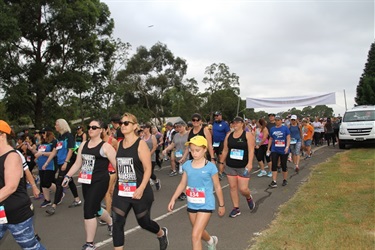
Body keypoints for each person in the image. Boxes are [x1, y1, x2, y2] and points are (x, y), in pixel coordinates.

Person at [112, 113, 169, 250]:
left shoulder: (141, 144)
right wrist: (114, 184)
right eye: (121, 123)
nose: (123, 126)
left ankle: (161, 233)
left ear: (135, 126)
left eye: (126, 123)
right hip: (122, 190)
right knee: (117, 222)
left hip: (140, 190)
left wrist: (142, 188)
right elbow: (119, 167)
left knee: (144, 222)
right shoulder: (119, 144)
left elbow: (148, 169)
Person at [62, 120, 116, 249]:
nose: (90, 129)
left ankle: (89, 244)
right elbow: (77, 163)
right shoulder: (83, 145)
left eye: (94, 127)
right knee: (96, 209)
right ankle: (111, 222)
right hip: (86, 181)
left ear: (101, 130)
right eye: (89, 127)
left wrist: (118, 184)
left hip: (100, 181)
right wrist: (68, 176)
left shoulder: (106, 147)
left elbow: (117, 165)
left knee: (88, 210)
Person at [168, 135, 225, 250]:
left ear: (205, 150)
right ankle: (211, 240)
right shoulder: (187, 165)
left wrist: (221, 205)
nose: (194, 153)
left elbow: (217, 186)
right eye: (192, 150)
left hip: (206, 203)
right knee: (198, 230)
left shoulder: (210, 167)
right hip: (192, 203)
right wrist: (173, 198)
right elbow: (182, 184)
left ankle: (209, 241)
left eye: (197, 150)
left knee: (195, 235)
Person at [0, 120, 45, 249]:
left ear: (3, 135)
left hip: (17, 213)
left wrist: (35, 187)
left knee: (31, 247)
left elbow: (11, 187)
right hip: (2, 211)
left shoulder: (12, 157)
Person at [220, 116, 256, 218]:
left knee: (243, 189)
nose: (235, 125)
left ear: (242, 124)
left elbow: (251, 150)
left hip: (243, 166)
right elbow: (225, 150)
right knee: (232, 187)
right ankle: (236, 208)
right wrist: (221, 162)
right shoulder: (229, 135)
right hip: (231, 165)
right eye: (233, 123)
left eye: (237, 123)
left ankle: (248, 197)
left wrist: (250, 163)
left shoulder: (247, 135)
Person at [46, 119, 82, 215]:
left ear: (62, 125)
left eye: (56, 124)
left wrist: (66, 162)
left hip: (67, 162)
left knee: (59, 183)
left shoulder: (69, 136)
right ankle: (77, 199)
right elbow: (54, 151)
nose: (55, 126)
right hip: (59, 162)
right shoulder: (59, 137)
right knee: (69, 181)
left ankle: (53, 206)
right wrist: (47, 162)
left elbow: (70, 150)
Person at [33, 127, 58, 208]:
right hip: (41, 165)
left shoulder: (54, 142)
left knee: (47, 182)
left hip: (50, 165)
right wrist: (32, 150)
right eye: (41, 133)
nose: (42, 135)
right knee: (43, 183)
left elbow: (53, 153)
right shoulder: (41, 142)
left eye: (43, 133)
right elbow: (37, 152)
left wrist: (42, 154)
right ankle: (47, 200)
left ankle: (59, 191)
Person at [100, 123, 119, 221]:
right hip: (101, 170)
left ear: (107, 129)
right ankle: (116, 207)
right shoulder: (97, 141)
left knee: (107, 192)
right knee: (110, 192)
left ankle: (107, 216)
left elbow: (119, 155)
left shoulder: (113, 141)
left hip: (112, 169)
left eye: (103, 129)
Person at [267, 115, 291, 188]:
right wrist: (268, 148)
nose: (277, 122)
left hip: (283, 149)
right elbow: (271, 139)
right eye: (276, 120)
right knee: (274, 164)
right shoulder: (272, 129)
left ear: (281, 120)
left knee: (284, 165)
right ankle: (274, 181)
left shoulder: (285, 128)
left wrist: (287, 146)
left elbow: (288, 138)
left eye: (278, 120)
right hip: (275, 149)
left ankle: (284, 179)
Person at [142, 122, 161, 190]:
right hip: (143, 158)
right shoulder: (142, 137)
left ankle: (156, 180)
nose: (143, 129)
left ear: (148, 128)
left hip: (151, 158)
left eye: (144, 128)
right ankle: (146, 186)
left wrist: (149, 154)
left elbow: (154, 147)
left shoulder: (152, 137)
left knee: (150, 173)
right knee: (143, 172)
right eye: (143, 128)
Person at [212, 111, 230, 180]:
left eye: (217, 116)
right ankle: (223, 170)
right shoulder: (213, 123)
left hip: (222, 142)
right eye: (215, 116)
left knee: (221, 157)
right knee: (215, 157)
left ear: (220, 116)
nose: (216, 117)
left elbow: (228, 133)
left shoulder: (224, 124)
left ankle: (220, 173)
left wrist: (227, 143)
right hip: (215, 143)